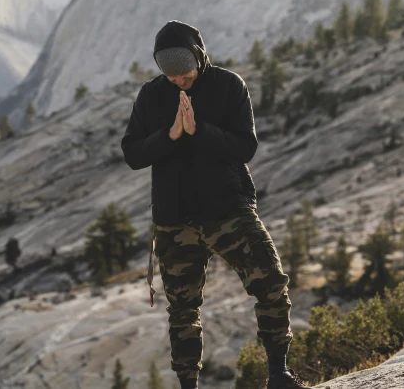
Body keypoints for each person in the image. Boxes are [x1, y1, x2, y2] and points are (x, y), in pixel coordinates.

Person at [120, 21, 305, 389]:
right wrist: (169, 136)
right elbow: (132, 153)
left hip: (227, 210)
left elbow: (245, 147)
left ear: (199, 57)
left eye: (184, 72)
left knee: (270, 280)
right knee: (183, 310)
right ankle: (189, 384)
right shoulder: (151, 95)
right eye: (169, 74)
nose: (178, 80)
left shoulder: (228, 86)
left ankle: (278, 373)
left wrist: (198, 130)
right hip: (174, 221)